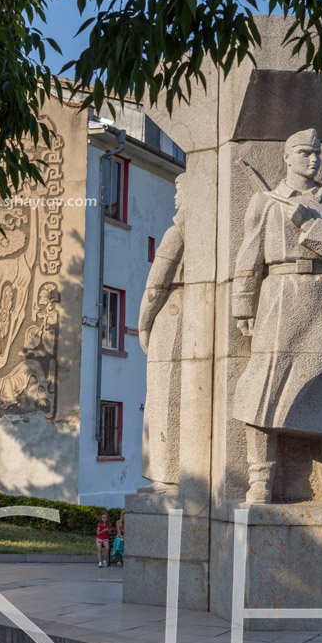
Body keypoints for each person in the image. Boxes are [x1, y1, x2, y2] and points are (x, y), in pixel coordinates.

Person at [232, 128, 322, 505]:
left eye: (317, 153)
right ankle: (260, 479)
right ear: (287, 157)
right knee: (264, 389)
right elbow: (249, 256)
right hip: (279, 294)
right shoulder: (266, 201)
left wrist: (310, 223)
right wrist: (243, 303)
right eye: (305, 152)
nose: (313, 159)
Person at [139, 174, 185, 491]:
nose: (175, 198)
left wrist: (143, 323)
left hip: (173, 316)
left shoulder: (177, 232)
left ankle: (165, 477)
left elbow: (155, 286)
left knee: (164, 401)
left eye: (179, 192)